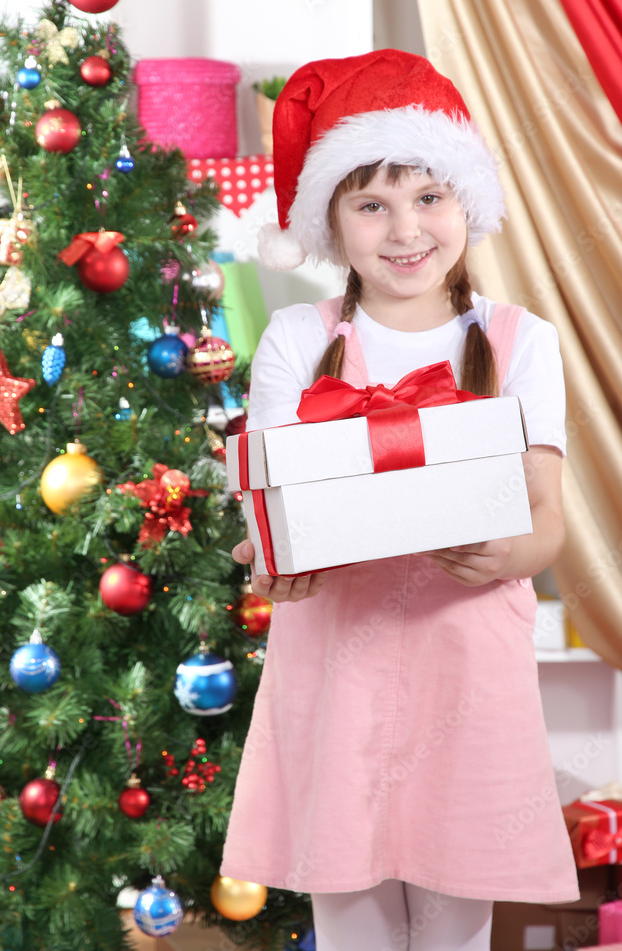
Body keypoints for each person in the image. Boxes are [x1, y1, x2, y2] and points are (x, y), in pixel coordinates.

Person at [220, 50, 579, 951]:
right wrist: (272, 562)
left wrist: (512, 556)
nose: (403, 229)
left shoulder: (517, 341)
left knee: (457, 923)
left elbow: (547, 518)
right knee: (352, 920)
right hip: (338, 668)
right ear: (332, 223)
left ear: (467, 203)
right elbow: (269, 514)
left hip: (465, 669)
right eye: (370, 204)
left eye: (428, 197)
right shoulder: (297, 342)